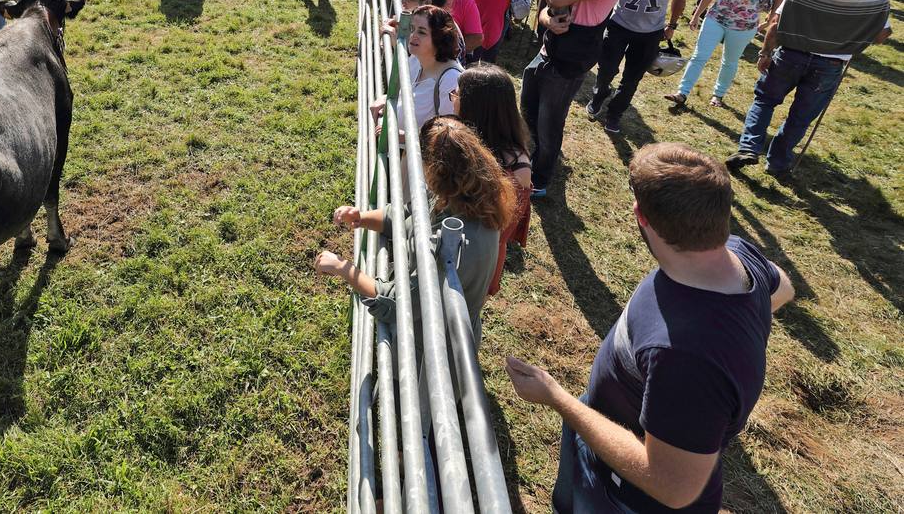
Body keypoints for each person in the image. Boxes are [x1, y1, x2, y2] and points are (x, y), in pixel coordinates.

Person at [507, 142, 794, 513]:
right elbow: (784, 286)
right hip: (604, 447)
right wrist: (743, 321)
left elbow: (672, 487)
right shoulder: (737, 253)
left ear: (640, 215)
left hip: (622, 497)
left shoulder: (687, 357)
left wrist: (557, 398)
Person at [316, 117, 514, 339]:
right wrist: (361, 216)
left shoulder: (453, 242)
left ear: (435, 168)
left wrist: (342, 268)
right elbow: (407, 216)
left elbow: (398, 303)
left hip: (431, 351)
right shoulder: (469, 196)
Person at [728, 0, 891, 175]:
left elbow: (775, 24)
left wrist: (765, 52)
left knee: (764, 100)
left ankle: (749, 147)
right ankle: (777, 162)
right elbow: (879, 36)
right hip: (831, 64)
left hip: (790, 56)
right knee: (801, 116)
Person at [521, 0, 623, 195]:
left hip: (569, 63)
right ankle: (537, 158)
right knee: (528, 109)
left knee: (549, 123)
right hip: (546, 53)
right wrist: (548, 21)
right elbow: (545, 4)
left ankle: (540, 180)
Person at [587, 0, 690, 133]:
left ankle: (614, 114)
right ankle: (599, 95)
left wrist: (672, 24)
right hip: (619, 25)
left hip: (651, 32)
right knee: (606, 69)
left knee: (632, 79)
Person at [453, 63, 532, 297]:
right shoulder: (464, 136)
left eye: (456, 94)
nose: (452, 99)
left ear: (476, 106)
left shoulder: (515, 170)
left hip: (473, 257)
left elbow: (500, 230)